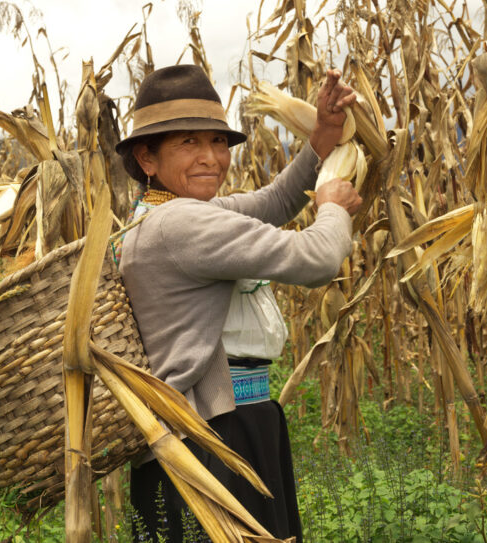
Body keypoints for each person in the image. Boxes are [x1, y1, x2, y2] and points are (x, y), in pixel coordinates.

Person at [114, 64, 361, 543]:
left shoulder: (166, 213)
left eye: (218, 142)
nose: (211, 158)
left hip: (218, 430)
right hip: (213, 439)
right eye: (189, 143)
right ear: (147, 158)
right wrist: (331, 206)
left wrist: (323, 136)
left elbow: (273, 202)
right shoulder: (181, 226)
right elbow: (316, 258)